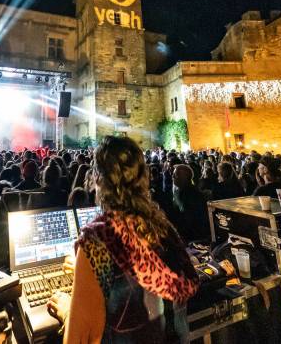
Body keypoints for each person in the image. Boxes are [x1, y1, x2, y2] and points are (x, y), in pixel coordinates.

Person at [47, 136, 198, 342]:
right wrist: (87, 272)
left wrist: (67, 311)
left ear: (98, 179)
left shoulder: (97, 240)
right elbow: (137, 276)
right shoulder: (164, 227)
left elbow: (80, 339)